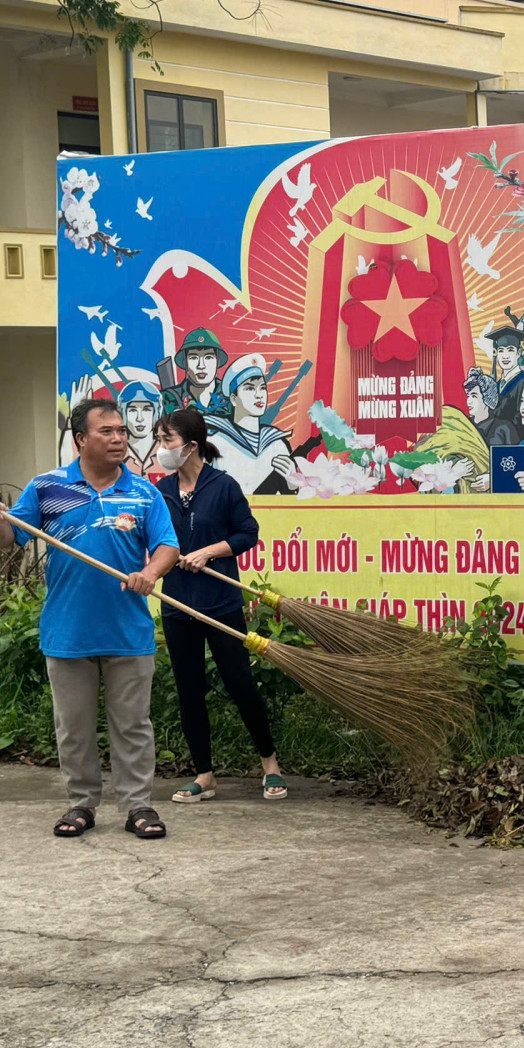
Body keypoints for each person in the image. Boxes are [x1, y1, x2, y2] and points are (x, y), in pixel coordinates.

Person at [0, 399, 179, 841]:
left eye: (122, 431)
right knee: (73, 726)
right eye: (106, 431)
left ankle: (138, 805)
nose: (119, 438)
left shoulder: (144, 492)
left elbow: (168, 545)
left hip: (128, 630)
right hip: (67, 630)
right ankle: (82, 803)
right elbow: (7, 540)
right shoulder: (47, 488)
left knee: (133, 725)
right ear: (80, 440)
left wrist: (149, 573)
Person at [154, 409, 287, 804]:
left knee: (239, 683)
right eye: (160, 441)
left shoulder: (223, 486)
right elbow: (154, 537)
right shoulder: (159, 491)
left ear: (191, 446)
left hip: (220, 602)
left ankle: (270, 765)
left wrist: (209, 552)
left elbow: (248, 533)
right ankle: (204, 775)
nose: (161, 449)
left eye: (168, 441)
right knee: (189, 690)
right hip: (177, 604)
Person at [209, 354, 295, 494]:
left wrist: (292, 485)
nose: (259, 395)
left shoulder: (277, 445)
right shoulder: (214, 444)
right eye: (249, 388)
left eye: (262, 388)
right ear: (233, 398)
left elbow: (290, 507)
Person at [161, 328, 230, 417]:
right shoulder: (167, 399)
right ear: (184, 362)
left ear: (218, 361)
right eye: (193, 358)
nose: (201, 365)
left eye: (208, 357)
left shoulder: (232, 397)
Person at [485, 325, 524, 442]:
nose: (505, 356)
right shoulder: (496, 385)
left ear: (518, 353)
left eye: (510, 350)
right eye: (501, 351)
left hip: (516, 441)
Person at [119, 381, 165, 481]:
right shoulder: (114, 456)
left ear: (156, 412)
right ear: (123, 413)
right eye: (132, 410)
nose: (139, 418)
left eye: (146, 410)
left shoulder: (168, 453)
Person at [465, 368, 519, 448]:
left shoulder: (504, 428)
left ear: (487, 398)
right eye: (468, 396)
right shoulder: (465, 426)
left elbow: (517, 458)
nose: (469, 401)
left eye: (474, 396)